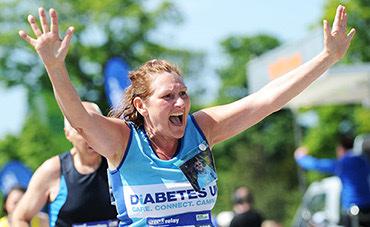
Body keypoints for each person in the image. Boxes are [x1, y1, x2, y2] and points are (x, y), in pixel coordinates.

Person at [18, 4, 355, 226]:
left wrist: (326, 58)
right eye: (168, 97)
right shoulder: (122, 142)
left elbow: (266, 99)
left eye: (183, 93)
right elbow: (80, 119)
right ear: (141, 106)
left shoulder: (202, 129)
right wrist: (54, 66)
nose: (180, 103)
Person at [12, 102, 118, 227]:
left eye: (95, 127)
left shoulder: (119, 163)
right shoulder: (53, 170)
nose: (91, 135)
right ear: (67, 134)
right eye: (81, 130)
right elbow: (20, 218)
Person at [294, 135, 370, 227]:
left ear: (341, 149)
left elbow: (317, 164)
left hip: (353, 212)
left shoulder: (344, 163)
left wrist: (301, 157)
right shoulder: (363, 160)